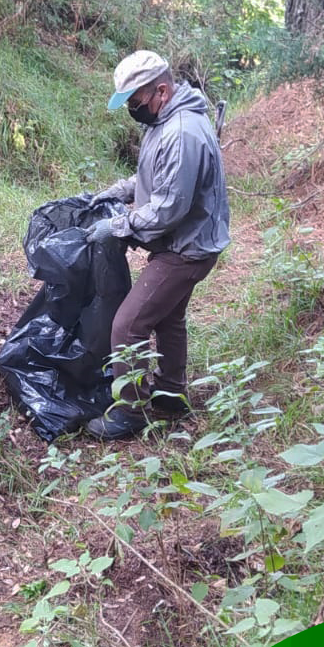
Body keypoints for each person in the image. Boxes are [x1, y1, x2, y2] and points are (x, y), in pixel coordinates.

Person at [83, 51, 230, 440]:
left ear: (160, 91)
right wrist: (124, 189)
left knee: (128, 324)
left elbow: (168, 209)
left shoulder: (182, 131)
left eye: (135, 101)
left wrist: (117, 226)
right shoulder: (165, 120)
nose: (132, 110)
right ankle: (171, 395)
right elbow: (158, 176)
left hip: (187, 247)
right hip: (187, 240)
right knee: (169, 318)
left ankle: (129, 412)